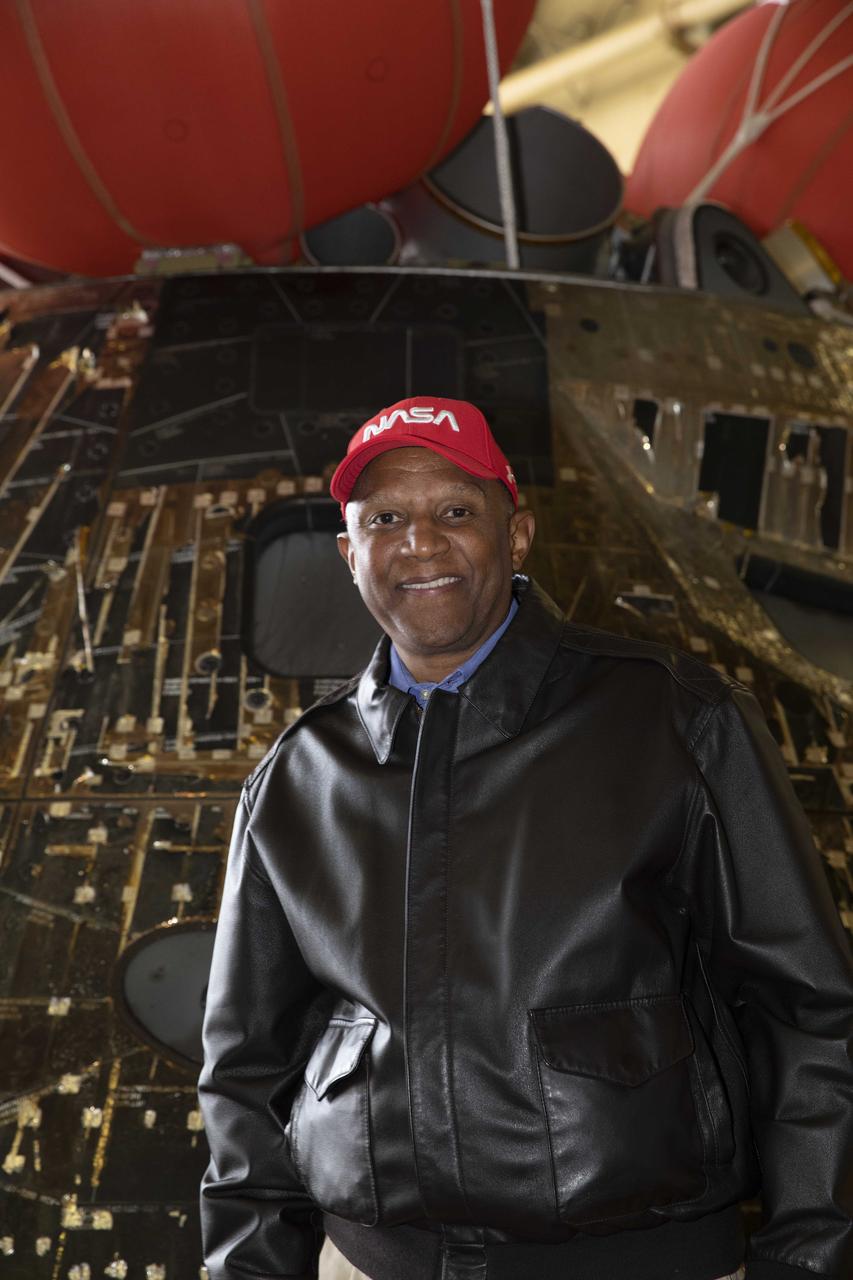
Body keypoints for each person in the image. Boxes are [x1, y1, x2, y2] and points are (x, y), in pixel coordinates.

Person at [198, 396, 853, 1280]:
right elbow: (245, 1066)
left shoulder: (670, 718)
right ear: (351, 554)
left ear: (518, 537)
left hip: (640, 1259)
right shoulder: (298, 774)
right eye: (384, 518)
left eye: (455, 512)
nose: (419, 543)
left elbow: (806, 1010)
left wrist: (805, 1258)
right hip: (368, 1261)